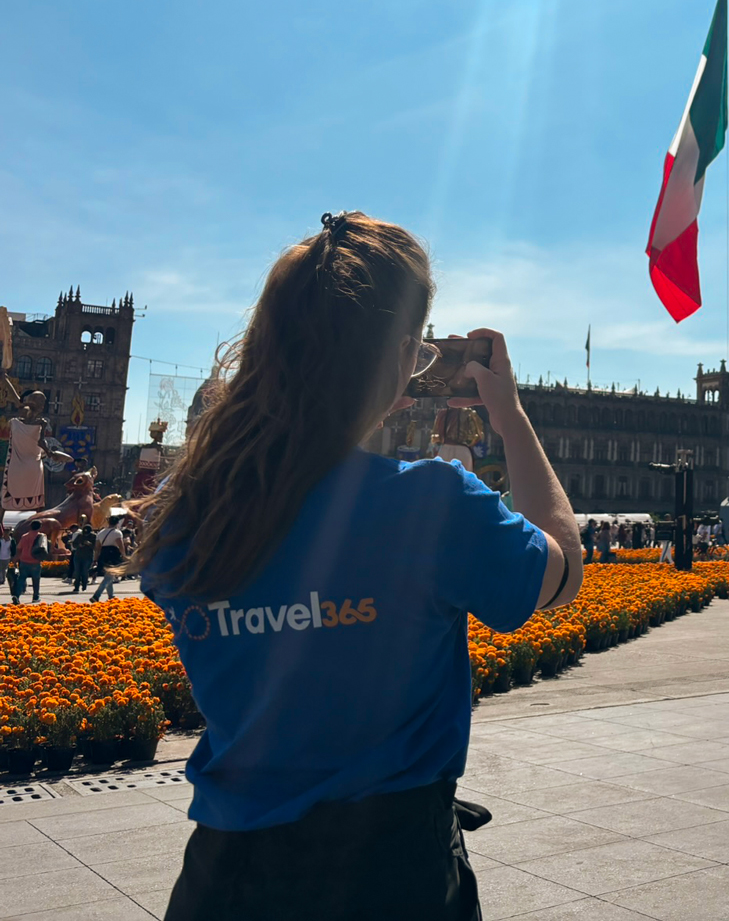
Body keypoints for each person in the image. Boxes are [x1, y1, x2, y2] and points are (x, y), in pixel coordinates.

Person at [127, 212, 582, 920]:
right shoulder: (429, 505)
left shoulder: (185, 515)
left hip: (224, 876)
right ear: (399, 357)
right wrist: (511, 419)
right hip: (388, 873)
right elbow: (560, 571)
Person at [90, 515, 127, 601]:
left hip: (103, 555)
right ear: (117, 523)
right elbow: (121, 546)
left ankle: (111, 596)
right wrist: (124, 556)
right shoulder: (117, 533)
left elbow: (97, 548)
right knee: (109, 577)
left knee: (108, 575)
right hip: (113, 554)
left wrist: (95, 559)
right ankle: (96, 595)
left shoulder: (101, 533)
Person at [13, 519, 47, 603]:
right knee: (36, 580)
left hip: (24, 560)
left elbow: (19, 548)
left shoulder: (24, 536)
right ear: (40, 527)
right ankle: (35, 597)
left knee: (21, 579)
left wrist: (15, 559)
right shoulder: (41, 536)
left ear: (30, 526)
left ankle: (16, 596)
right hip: (35, 561)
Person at [70, 521, 97, 592]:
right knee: (77, 572)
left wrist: (89, 544)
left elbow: (96, 547)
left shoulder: (93, 536)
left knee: (85, 571)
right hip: (78, 556)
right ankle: (76, 587)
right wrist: (79, 545)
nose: (86, 535)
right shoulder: (80, 535)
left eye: (87, 533)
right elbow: (74, 544)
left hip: (88, 556)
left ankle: (84, 586)